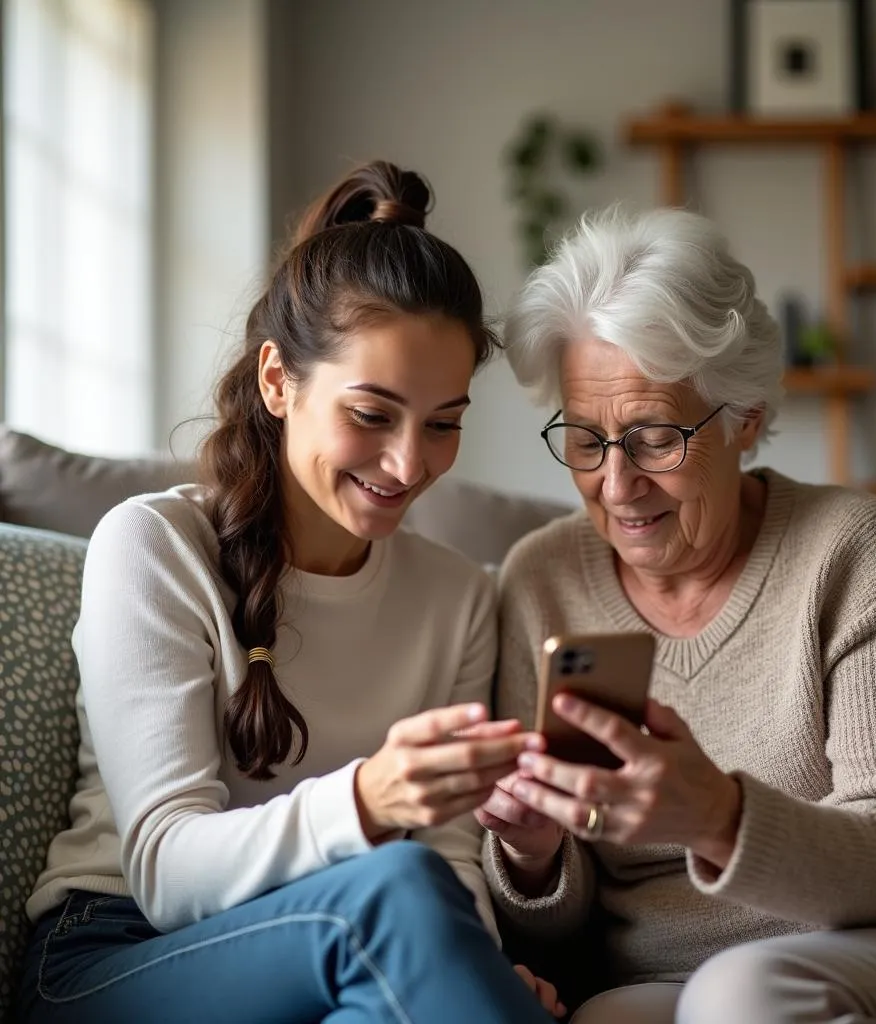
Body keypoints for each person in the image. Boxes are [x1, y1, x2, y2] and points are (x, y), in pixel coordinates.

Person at [16, 162, 563, 1024]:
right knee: (398, 894)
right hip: (117, 960)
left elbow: (455, 858)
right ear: (277, 380)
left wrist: (470, 963)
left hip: (347, 955)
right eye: (373, 414)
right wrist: (368, 801)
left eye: (445, 423)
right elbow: (162, 870)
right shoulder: (155, 546)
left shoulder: (458, 598)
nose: (410, 464)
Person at [476, 205, 876, 1024]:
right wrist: (530, 852)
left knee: (748, 996)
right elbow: (557, 921)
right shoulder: (542, 580)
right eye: (586, 441)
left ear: (747, 420)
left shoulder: (849, 550)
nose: (617, 486)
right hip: (673, 978)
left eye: (656, 438)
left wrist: (715, 815)